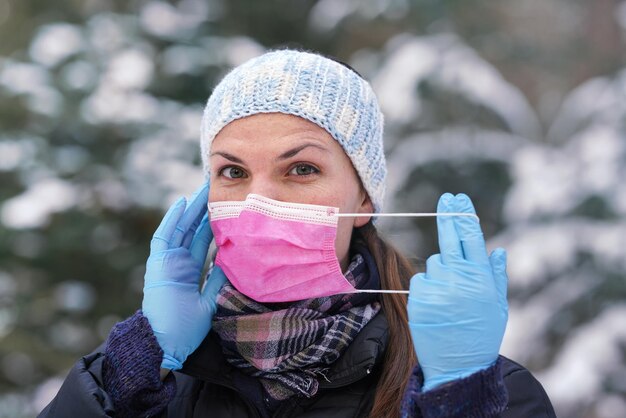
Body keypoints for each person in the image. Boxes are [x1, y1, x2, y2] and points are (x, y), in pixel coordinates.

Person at [38, 49, 555, 418]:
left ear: (364, 201)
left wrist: (462, 398)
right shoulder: (152, 384)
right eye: (233, 172)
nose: (259, 201)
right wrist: (132, 366)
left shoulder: (494, 391)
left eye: (301, 169)